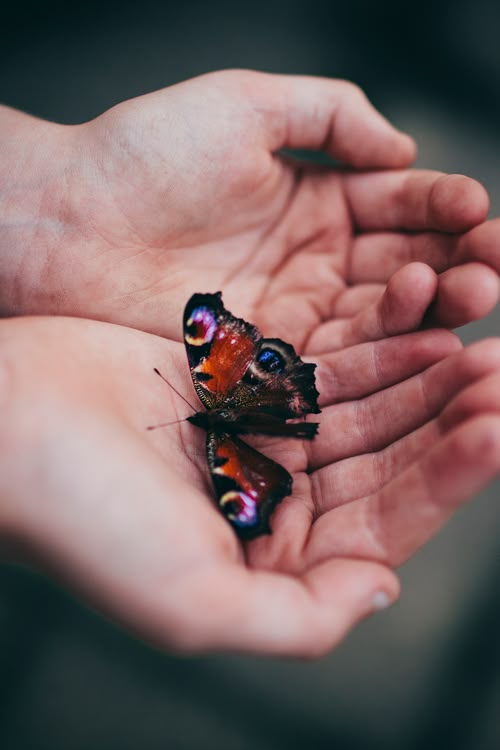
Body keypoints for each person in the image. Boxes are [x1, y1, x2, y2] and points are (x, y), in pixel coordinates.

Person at [0, 70, 499, 657]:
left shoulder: (219, 447)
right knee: (234, 392)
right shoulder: (214, 401)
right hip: (261, 401)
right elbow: (208, 336)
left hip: (255, 430)